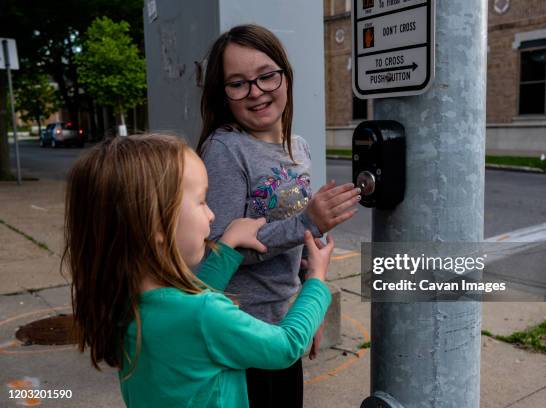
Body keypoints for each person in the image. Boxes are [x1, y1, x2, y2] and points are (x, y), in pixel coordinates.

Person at [63, 134, 335, 408]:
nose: (212, 214)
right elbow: (286, 346)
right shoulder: (204, 314)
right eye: (202, 201)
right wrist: (316, 281)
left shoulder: (124, 305)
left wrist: (227, 244)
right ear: (157, 225)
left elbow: (189, 301)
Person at [197, 24, 361, 407]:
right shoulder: (225, 150)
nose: (256, 91)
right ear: (223, 94)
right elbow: (217, 251)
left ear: (285, 74)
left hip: (284, 321)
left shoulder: (298, 147)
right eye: (238, 83)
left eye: (266, 75)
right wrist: (308, 222)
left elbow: (303, 245)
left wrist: (311, 303)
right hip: (242, 331)